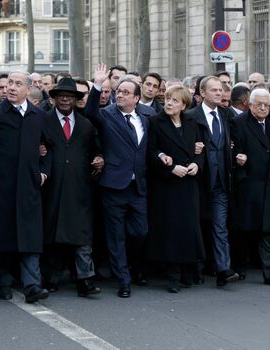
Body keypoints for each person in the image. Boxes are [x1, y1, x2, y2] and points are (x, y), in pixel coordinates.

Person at [0, 71, 52, 303]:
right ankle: (5, 282)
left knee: (30, 237)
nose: (11, 88)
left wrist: (44, 172)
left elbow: (48, 147)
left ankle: (32, 286)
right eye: (9, 84)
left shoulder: (38, 115)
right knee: (3, 235)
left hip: (29, 187)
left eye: (18, 84)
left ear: (28, 89)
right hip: (0, 185)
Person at [84, 64, 155, 298]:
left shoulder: (145, 119)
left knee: (140, 232)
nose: (120, 95)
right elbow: (90, 112)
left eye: (126, 92)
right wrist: (96, 85)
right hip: (113, 185)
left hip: (138, 186)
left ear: (136, 98)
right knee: (115, 236)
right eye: (119, 91)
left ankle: (133, 266)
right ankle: (123, 280)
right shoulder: (107, 115)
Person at [40, 77, 103, 297]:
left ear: (77, 99)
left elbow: (96, 150)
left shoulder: (86, 124)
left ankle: (85, 279)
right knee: (53, 234)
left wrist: (99, 160)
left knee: (82, 235)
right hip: (51, 187)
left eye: (70, 96)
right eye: (61, 95)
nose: (65, 99)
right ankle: (51, 277)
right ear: (55, 98)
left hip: (80, 187)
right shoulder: (43, 120)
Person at [145, 85, 204, 293]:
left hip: (188, 184)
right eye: (168, 99)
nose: (169, 103)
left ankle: (188, 271)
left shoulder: (191, 122)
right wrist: (170, 168)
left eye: (174, 101)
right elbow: (150, 151)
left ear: (184, 105)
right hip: (167, 186)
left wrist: (197, 163)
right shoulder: (155, 122)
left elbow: (199, 148)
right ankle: (172, 275)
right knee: (170, 230)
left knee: (189, 229)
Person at [185, 76, 239, 286]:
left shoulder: (226, 115)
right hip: (198, 180)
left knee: (220, 227)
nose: (219, 93)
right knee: (195, 225)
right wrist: (192, 149)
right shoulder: (190, 116)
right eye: (214, 90)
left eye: (220, 90)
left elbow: (234, 142)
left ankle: (223, 269)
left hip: (222, 181)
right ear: (202, 93)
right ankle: (196, 269)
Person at [230, 88, 270, 287]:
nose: (263, 108)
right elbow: (234, 150)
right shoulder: (238, 123)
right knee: (243, 230)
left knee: (269, 231)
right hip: (249, 185)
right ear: (249, 104)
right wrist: (241, 170)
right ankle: (239, 268)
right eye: (258, 104)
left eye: (266, 104)